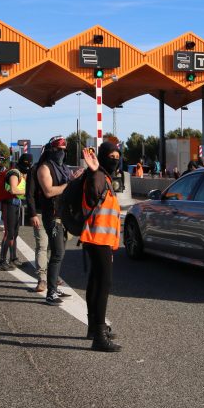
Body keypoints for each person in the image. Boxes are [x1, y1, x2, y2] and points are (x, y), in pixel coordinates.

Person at [80, 142, 123, 352]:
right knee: (103, 285)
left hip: (100, 239)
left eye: (117, 156)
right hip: (97, 239)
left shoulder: (104, 177)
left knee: (96, 282)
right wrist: (93, 170)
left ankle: (94, 327)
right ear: (103, 157)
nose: (114, 159)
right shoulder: (98, 177)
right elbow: (90, 198)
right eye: (111, 156)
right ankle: (99, 336)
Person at [37, 136, 83, 305]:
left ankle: (54, 286)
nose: (62, 153)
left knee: (60, 253)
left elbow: (69, 188)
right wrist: (70, 183)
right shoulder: (44, 168)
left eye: (64, 150)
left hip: (64, 216)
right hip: (52, 216)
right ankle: (51, 293)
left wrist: (76, 180)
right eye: (59, 150)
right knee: (57, 253)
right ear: (52, 150)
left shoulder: (63, 168)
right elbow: (49, 191)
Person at [0, 156, 28, 271]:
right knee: (9, 233)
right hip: (8, 203)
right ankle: (2, 260)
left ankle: (13, 258)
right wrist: (28, 191)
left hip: (15, 203)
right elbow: (13, 190)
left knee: (15, 232)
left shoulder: (20, 172)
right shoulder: (14, 173)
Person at [25, 152, 49, 293]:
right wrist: (33, 214)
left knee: (56, 249)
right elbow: (30, 194)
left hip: (55, 214)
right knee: (42, 246)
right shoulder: (35, 169)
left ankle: (52, 275)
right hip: (40, 213)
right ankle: (42, 279)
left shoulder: (59, 168)